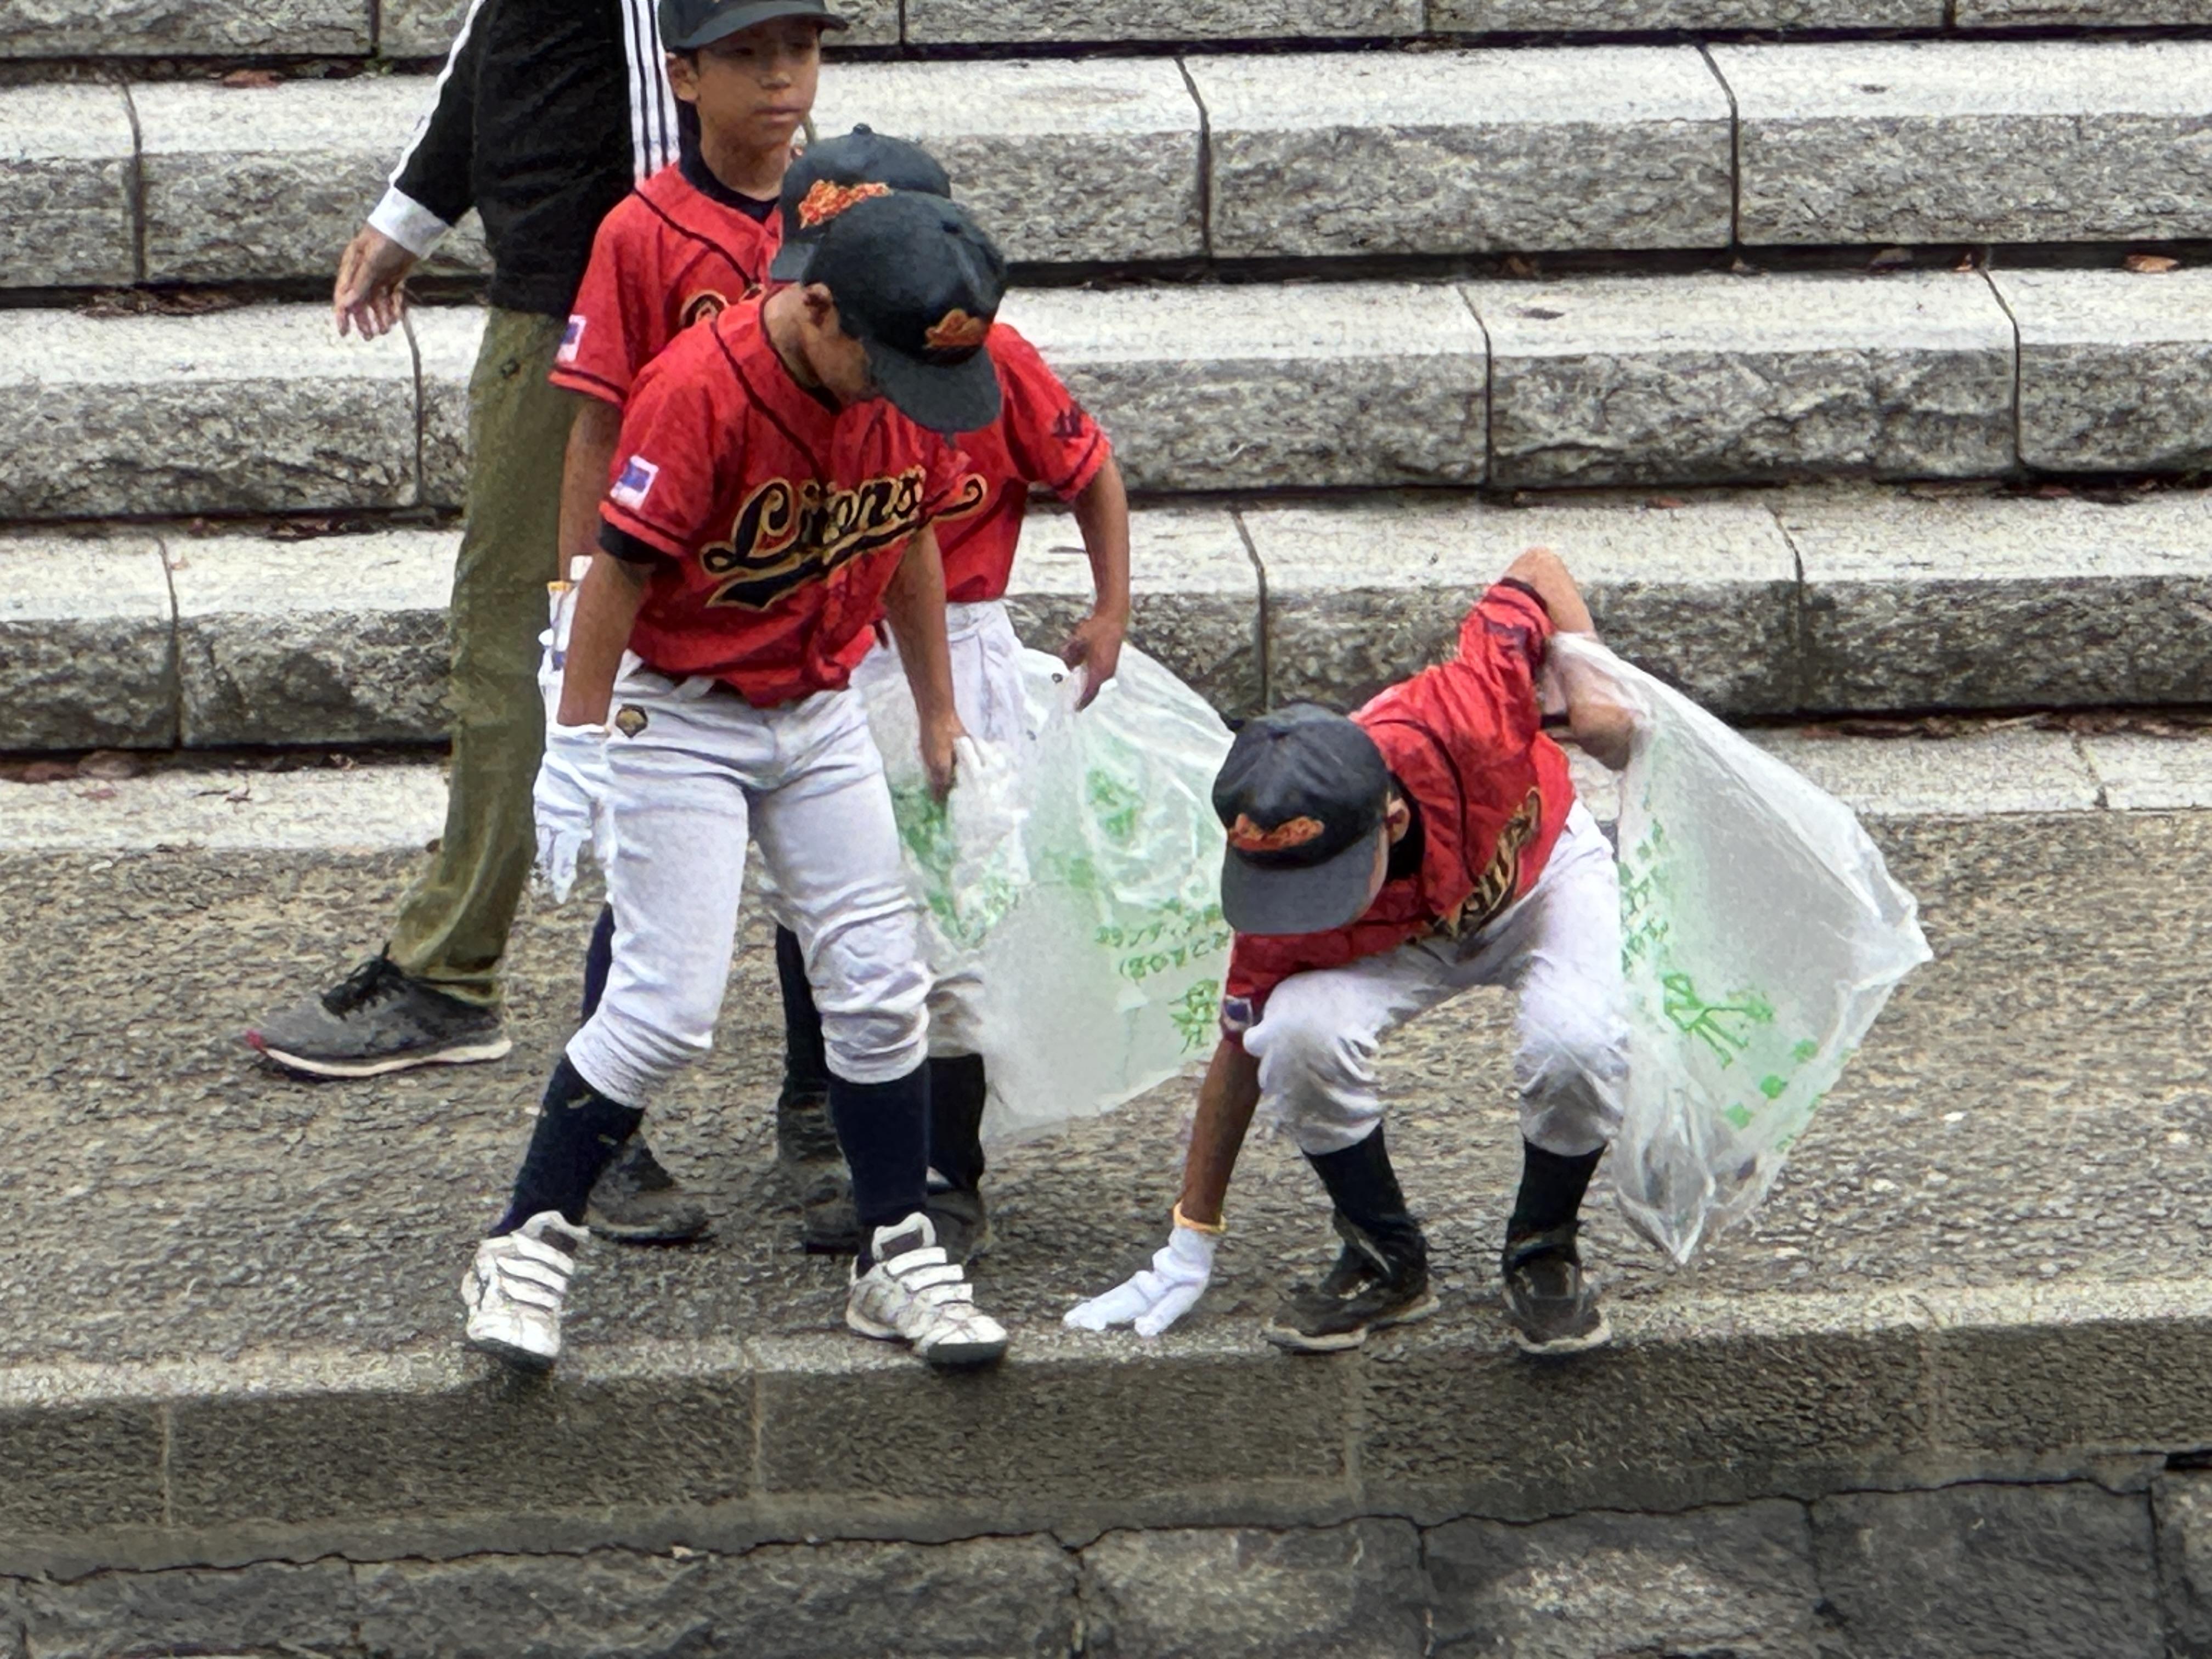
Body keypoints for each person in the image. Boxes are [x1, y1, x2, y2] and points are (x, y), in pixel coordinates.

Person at [462, 191, 1015, 1373]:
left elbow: (910, 534)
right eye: (891, 363)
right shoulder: (703, 385)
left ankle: (895, 1251)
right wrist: (575, 735)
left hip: (811, 709)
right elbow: (618, 571)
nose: (905, 393)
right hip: (678, 709)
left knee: (881, 986)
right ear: (819, 310)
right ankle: (522, 1243)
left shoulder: (896, 378)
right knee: (665, 1007)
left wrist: (936, 712)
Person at [242, 0, 834, 1077]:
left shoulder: (665, 216)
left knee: (542, 627)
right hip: (603, 288)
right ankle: (467, 969)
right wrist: (412, 212)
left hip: (627, 305)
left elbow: (676, 60)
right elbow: (504, 35)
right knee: (528, 627)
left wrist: (681, 275)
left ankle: (467, 978)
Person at [1065, 549, 1635, 1356]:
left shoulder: (1465, 712)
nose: (1296, 908)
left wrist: (1593, 674)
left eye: (1322, 880)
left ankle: (1544, 1249)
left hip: (1537, 879)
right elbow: (1239, 1052)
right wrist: (1187, 1243)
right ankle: (1384, 1258)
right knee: (1295, 1036)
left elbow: (1538, 568)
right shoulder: (1280, 896)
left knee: (1575, 1040)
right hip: (1398, 942)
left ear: (1390, 821)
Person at [757, 137, 1132, 1262]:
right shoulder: (803, 362)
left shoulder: (998, 364)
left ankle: (947, 1172)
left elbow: (1089, 471)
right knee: (815, 900)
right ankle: (827, 1111)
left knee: (949, 917)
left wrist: (1110, 609)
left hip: (955, 650)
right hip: (832, 646)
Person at [536, 0, 852, 1243]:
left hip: (814, 593)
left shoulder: (846, 211)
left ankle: (820, 1102)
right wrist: (573, 616)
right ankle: (612, 1137)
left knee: (826, 881)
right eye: (746, 55)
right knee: (654, 871)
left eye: (802, 49)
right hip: (672, 617)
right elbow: (599, 424)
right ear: (683, 74)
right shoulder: (641, 231)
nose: (780, 77)